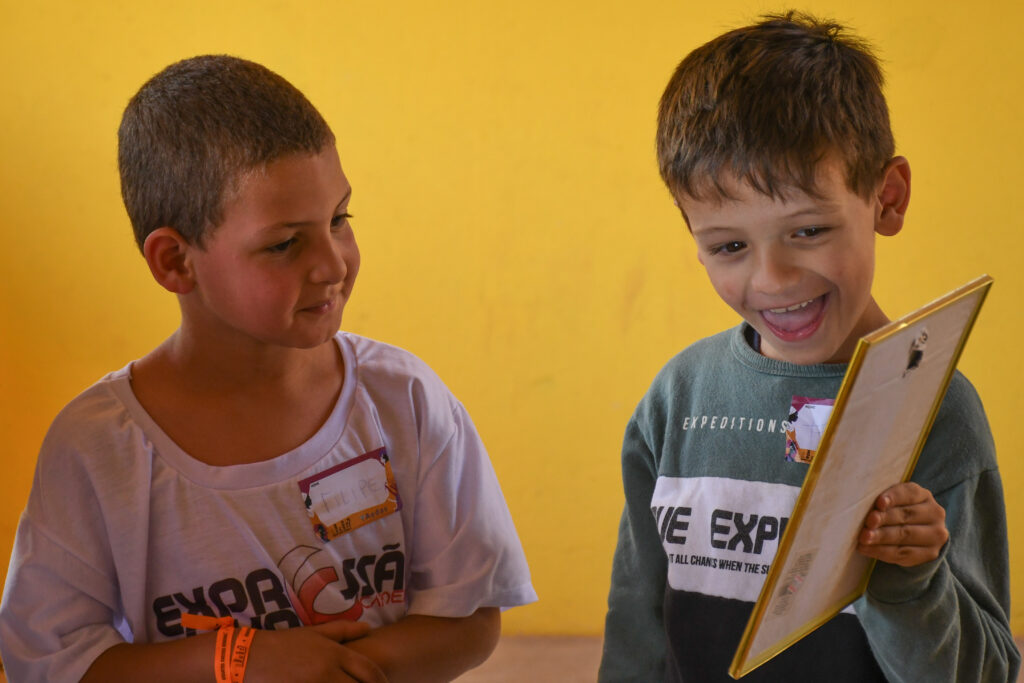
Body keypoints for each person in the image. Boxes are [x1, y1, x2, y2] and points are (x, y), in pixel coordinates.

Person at [0, 55, 536, 683]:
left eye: (339, 219)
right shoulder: (98, 448)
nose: (333, 264)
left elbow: (469, 619)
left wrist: (326, 671)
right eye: (284, 243)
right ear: (175, 262)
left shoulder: (406, 400)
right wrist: (238, 663)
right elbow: (53, 662)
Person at [599, 12, 1020, 682]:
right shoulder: (676, 397)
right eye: (729, 246)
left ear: (886, 198)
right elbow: (636, 626)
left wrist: (910, 580)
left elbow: (985, 672)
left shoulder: (935, 411)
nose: (772, 279)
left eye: (809, 230)